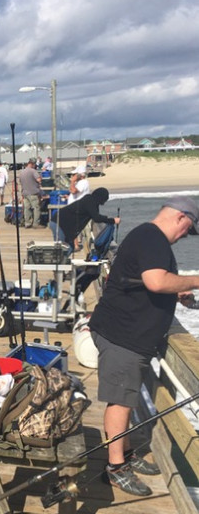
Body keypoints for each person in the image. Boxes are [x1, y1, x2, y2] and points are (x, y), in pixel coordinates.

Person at [89, 195, 199, 497]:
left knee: (125, 397)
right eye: (188, 230)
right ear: (180, 218)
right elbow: (155, 281)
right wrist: (193, 281)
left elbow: (138, 280)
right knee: (121, 401)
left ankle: (124, 452)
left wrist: (173, 294)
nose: (184, 237)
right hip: (123, 337)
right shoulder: (153, 238)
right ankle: (115, 467)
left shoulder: (145, 236)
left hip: (123, 333)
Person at [50, 187, 120, 251]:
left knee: (70, 248)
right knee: (62, 250)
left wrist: (107, 219)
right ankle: (59, 264)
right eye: (104, 200)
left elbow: (96, 215)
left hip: (63, 224)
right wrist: (112, 220)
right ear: (101, 198)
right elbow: (96, 218)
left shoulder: (92, 201)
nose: (104, 203)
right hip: (59, 223)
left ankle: (63, 263)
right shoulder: (90, 201)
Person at [19, 158, 42, 228]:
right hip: (33, 193)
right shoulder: (33, 171)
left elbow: (20, 182)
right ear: (33, 164)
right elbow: (39, 180)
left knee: (27, 208)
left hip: (25, 193)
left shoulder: (22, 172)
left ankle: (27, 223)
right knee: (36, 208)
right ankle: (36, 224)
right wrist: (41, 177)